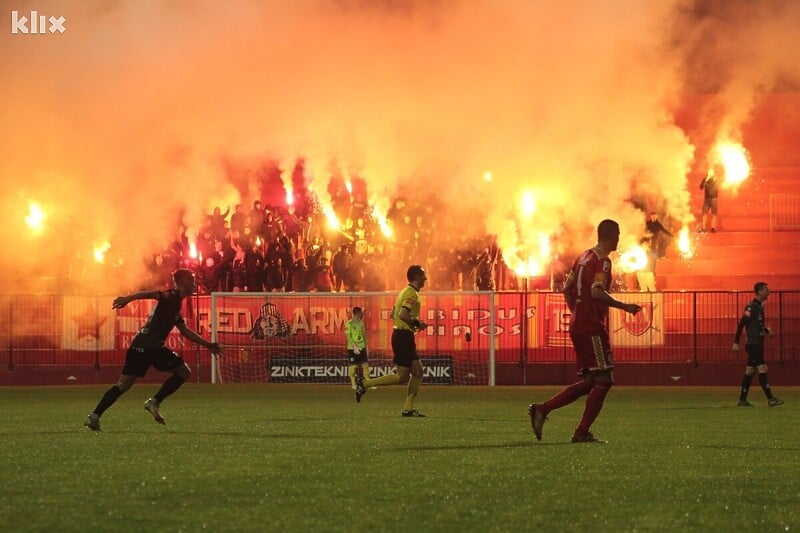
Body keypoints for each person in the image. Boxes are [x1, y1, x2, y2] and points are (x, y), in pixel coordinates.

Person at [528, 219, 641, 443]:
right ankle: (581, 432)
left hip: (578, 323)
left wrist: (577, 311)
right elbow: (597, 291)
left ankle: (543, 409)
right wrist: (624, 307)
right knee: (605, 379)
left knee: (591, 381)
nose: (619, 239)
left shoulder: (582, 257)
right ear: (610, 235)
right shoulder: (603, 261)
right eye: (618, 234)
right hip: (590, 326)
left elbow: (566, 288)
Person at [84, 269, 224, 431]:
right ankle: (154, 402)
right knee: (184, 372)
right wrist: (128, 299)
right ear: (182, 282)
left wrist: (208, 345)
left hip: (138, 346)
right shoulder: (172, 296)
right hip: (152, 347)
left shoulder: (175, 306)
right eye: (191, 280)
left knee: (123, 385)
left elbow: (185, 331)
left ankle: (94, 417)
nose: (194, 283)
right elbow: (153, 294)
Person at [355, 264, 428, 417]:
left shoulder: (404, 292)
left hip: (403, 336)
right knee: (402, 377)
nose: (425, 279)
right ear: (416, 277)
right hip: (403, 337)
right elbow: (401, 314)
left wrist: (411, 323)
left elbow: (392, 314)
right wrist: (417, 323)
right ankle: (365, 384)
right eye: (423, 276)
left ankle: (408, 409)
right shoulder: (411, 294)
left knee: (418, 371)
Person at [734, 281, 783, 407]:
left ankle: (742, 400)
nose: (768, 292)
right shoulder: (751, 307)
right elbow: (742, 324)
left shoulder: (760, 306)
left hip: (758, 343)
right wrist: (736, 342)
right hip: (753, 344)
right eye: (766, 290)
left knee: (750, 371)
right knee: (762, 368)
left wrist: (767, 331)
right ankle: (771, 399)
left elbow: (759, 324)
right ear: (760, 291)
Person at [345, 306, 369, 390]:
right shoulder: (349, 323)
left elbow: (364, 335)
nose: (362, 313)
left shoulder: (361, 323)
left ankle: (368, 383)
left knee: (365, 365)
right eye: (361, 312)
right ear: (357, 313)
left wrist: (366, 346)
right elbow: (348, 336)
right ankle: (353, 384)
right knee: (353, 366)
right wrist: (354, 346)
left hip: (362, 346)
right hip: (352, 348)